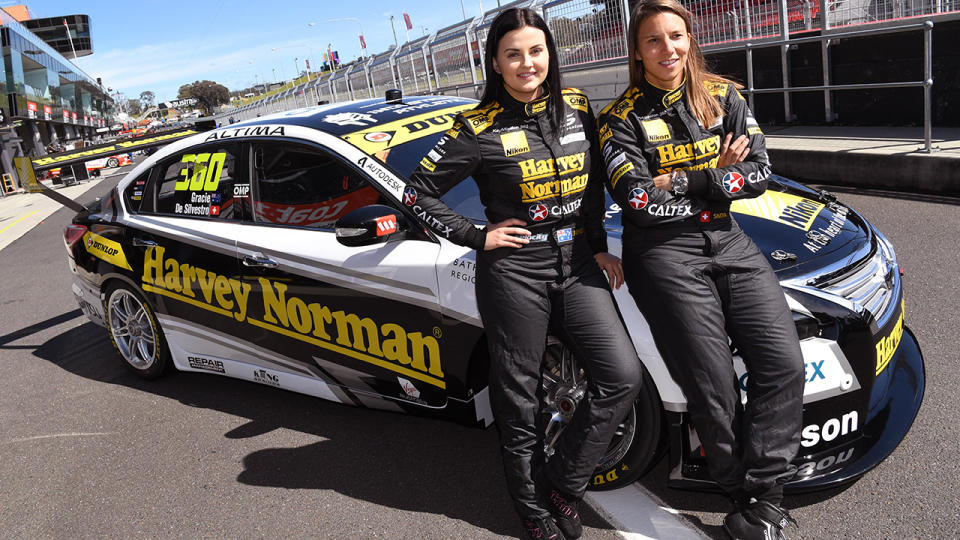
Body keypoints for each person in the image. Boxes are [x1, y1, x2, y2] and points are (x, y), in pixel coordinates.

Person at [404, 8, 642, 540]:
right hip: (514, 271)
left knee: (621, 377)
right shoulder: (478, 126)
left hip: (578, 263)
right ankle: (533, 512)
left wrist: (600, 247)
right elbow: (415, 191)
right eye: (513, 54)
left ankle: (563, 481)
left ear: (550, 54)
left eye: (536, 51)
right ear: (495, 62)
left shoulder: (578, 106)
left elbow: (595, 183)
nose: (527, 63)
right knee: (520, 397)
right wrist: (476, 235)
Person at [596, 1, 805, 539]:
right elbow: (639, 203)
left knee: (784, 362)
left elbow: (760, 174)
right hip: (663, 256)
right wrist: (716, 174)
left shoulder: (724, 95)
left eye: (676, 36)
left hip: (729, 240)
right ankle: (752, 500)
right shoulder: (618, 119)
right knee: (712, 386)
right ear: (637, 51)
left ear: (691, 38)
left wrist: (685, 181)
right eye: (654, 41)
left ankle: (764, 495)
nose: (669, 50)